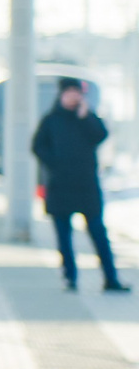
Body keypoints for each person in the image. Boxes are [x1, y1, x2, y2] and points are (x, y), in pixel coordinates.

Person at [33, 81, 125, 294]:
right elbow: (38, 146)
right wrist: (54, 163)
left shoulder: (87, 118)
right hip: (60, 186)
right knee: (64, 236)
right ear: (62, 95)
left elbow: (101, 136)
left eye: (77, 93)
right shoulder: (51, 120)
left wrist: (87, 115)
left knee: (98, 232)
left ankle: (111, 278)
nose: (73, 97)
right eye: (69, 93)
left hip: (86, 186)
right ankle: (70, 278)